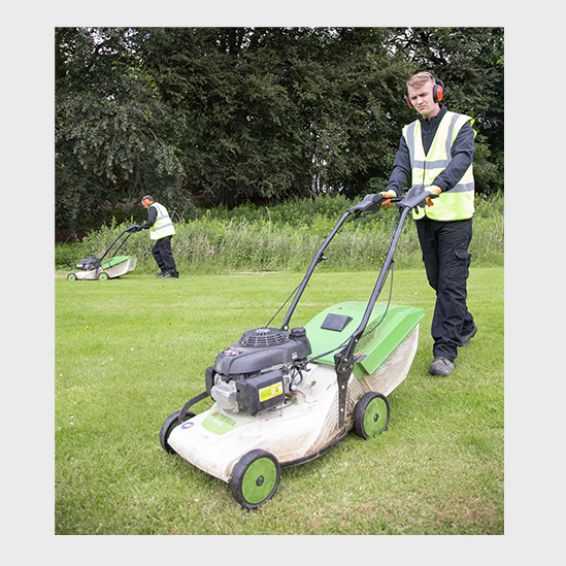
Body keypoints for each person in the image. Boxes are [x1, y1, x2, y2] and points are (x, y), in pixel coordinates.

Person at [381, 71, 477, 377]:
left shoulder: (459, 125)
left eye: (424, 94)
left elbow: (461, 160)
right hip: (423, 216)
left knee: (451, 283)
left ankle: (445, 351)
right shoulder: (409, 131)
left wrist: (437, 186)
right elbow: (401, 165)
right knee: (437, 280)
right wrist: (394, 189)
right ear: (409, 101)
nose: (419, 100)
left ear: (437, 93)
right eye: (414, 97)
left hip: (455, 216)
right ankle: (466, 324)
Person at [135, 195, 179, 278]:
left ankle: (173, 274)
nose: (143, 205)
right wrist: (141, 227)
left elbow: (151, 221)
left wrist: (141, 227)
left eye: (143, 202)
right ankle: (165, 271)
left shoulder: (152, 207)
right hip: (165, 232)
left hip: (164, 233)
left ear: (148, 200)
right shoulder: (159, 206)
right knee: (156, 251)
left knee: (166, 253)